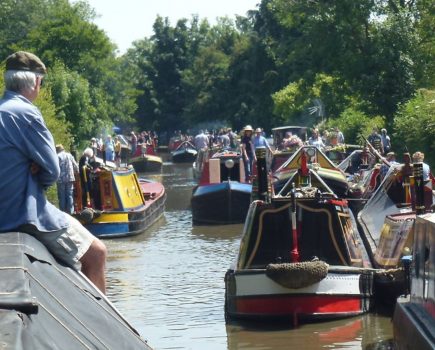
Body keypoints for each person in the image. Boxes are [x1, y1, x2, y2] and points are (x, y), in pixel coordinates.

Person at [0, 51, 106, 293]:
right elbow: (52, 170)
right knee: (97, 254)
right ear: (36, 82)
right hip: (24, 215)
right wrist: (37, 172)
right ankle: (95, 326)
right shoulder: (26, 113)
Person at [56, 144, 79, 214]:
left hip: (61, 179)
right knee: (69, 195)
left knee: (62, 196)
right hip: (70, 177)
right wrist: (77, 172)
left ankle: (63, 213)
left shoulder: (57, 156)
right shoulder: (69, 155)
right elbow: (75, 165)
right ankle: (71, 212)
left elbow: (55, 168)